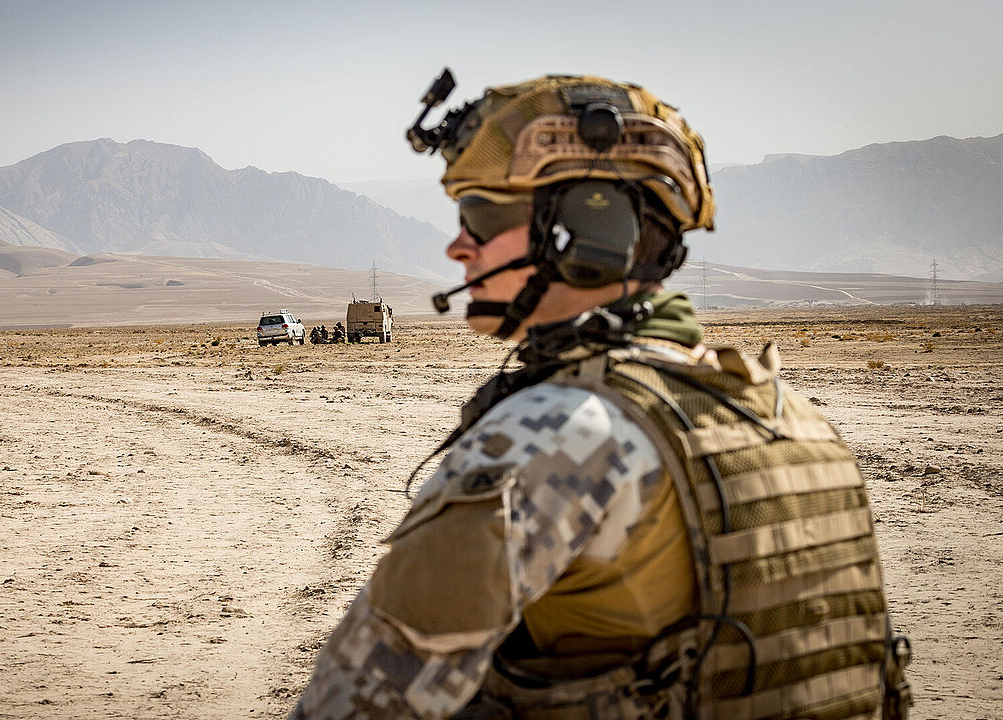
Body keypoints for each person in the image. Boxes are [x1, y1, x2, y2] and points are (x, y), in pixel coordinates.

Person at [290, 72, 911, 719]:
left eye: (480, 216)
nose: (457, 246)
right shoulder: (797, 420)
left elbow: (355, 704)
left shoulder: (557, 434)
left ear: (590, 228)